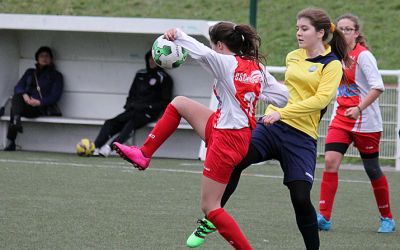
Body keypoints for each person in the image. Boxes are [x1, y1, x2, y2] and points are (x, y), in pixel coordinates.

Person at [185, 8, 350, 250]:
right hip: (271, 127)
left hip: (301, 136)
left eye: (304, 29)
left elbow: (320, 100)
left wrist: (282, 112)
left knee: (301, 198)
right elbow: (284, 90)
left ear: (321, 33)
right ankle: (210, 218)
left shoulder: (332, 64)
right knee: (235, 161)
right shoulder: (293, 56)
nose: (298, 33)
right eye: (297, 28)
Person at [113, 22, 289, 249]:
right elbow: (283, 98)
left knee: (211, 206)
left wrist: (177, 35)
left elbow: (201, 52)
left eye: (213, 45)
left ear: (221, 45)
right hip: (231, 130)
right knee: (179, 104)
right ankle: (144, 154)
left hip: (227, 139)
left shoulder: (224, 61)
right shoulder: (256, 68)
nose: (211, 49)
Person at [317, 13, 396, 233]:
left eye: (348, 29)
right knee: (330, 162)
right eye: (340, 29)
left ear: (357, 33)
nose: (343, 33)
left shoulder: (364, 56)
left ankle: (387, 218)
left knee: (372, 169)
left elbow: (377, 86)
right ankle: (324, 217)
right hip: (340, 120)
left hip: (365, 122)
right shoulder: (333, 55)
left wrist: (359, 108)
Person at [92, 51, 173, 157]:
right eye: (149, 59)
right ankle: (95, 147)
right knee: (111, 122)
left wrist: (147, 107)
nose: (151, 61)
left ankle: (109, 148)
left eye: (154, 59)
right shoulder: (140, 74)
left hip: (149, 113)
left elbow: (164, 102)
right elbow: (131, 94)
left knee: (132, 123)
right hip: (133, 110)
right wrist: (129, 104)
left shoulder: (164, 78)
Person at [4, 46, 63, 151]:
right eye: (41, 56)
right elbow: (18, 87)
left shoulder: (56, 75)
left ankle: (11, 139)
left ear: (51, 59)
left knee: (14, 108)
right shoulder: (30, 72)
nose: (44, 58)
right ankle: (16, 122)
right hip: (25, 104)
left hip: (39, 108)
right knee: (17, 96)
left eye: (47, 56)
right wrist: (25, 95)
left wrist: (40, 102)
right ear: (37, 59)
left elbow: (55, 96)